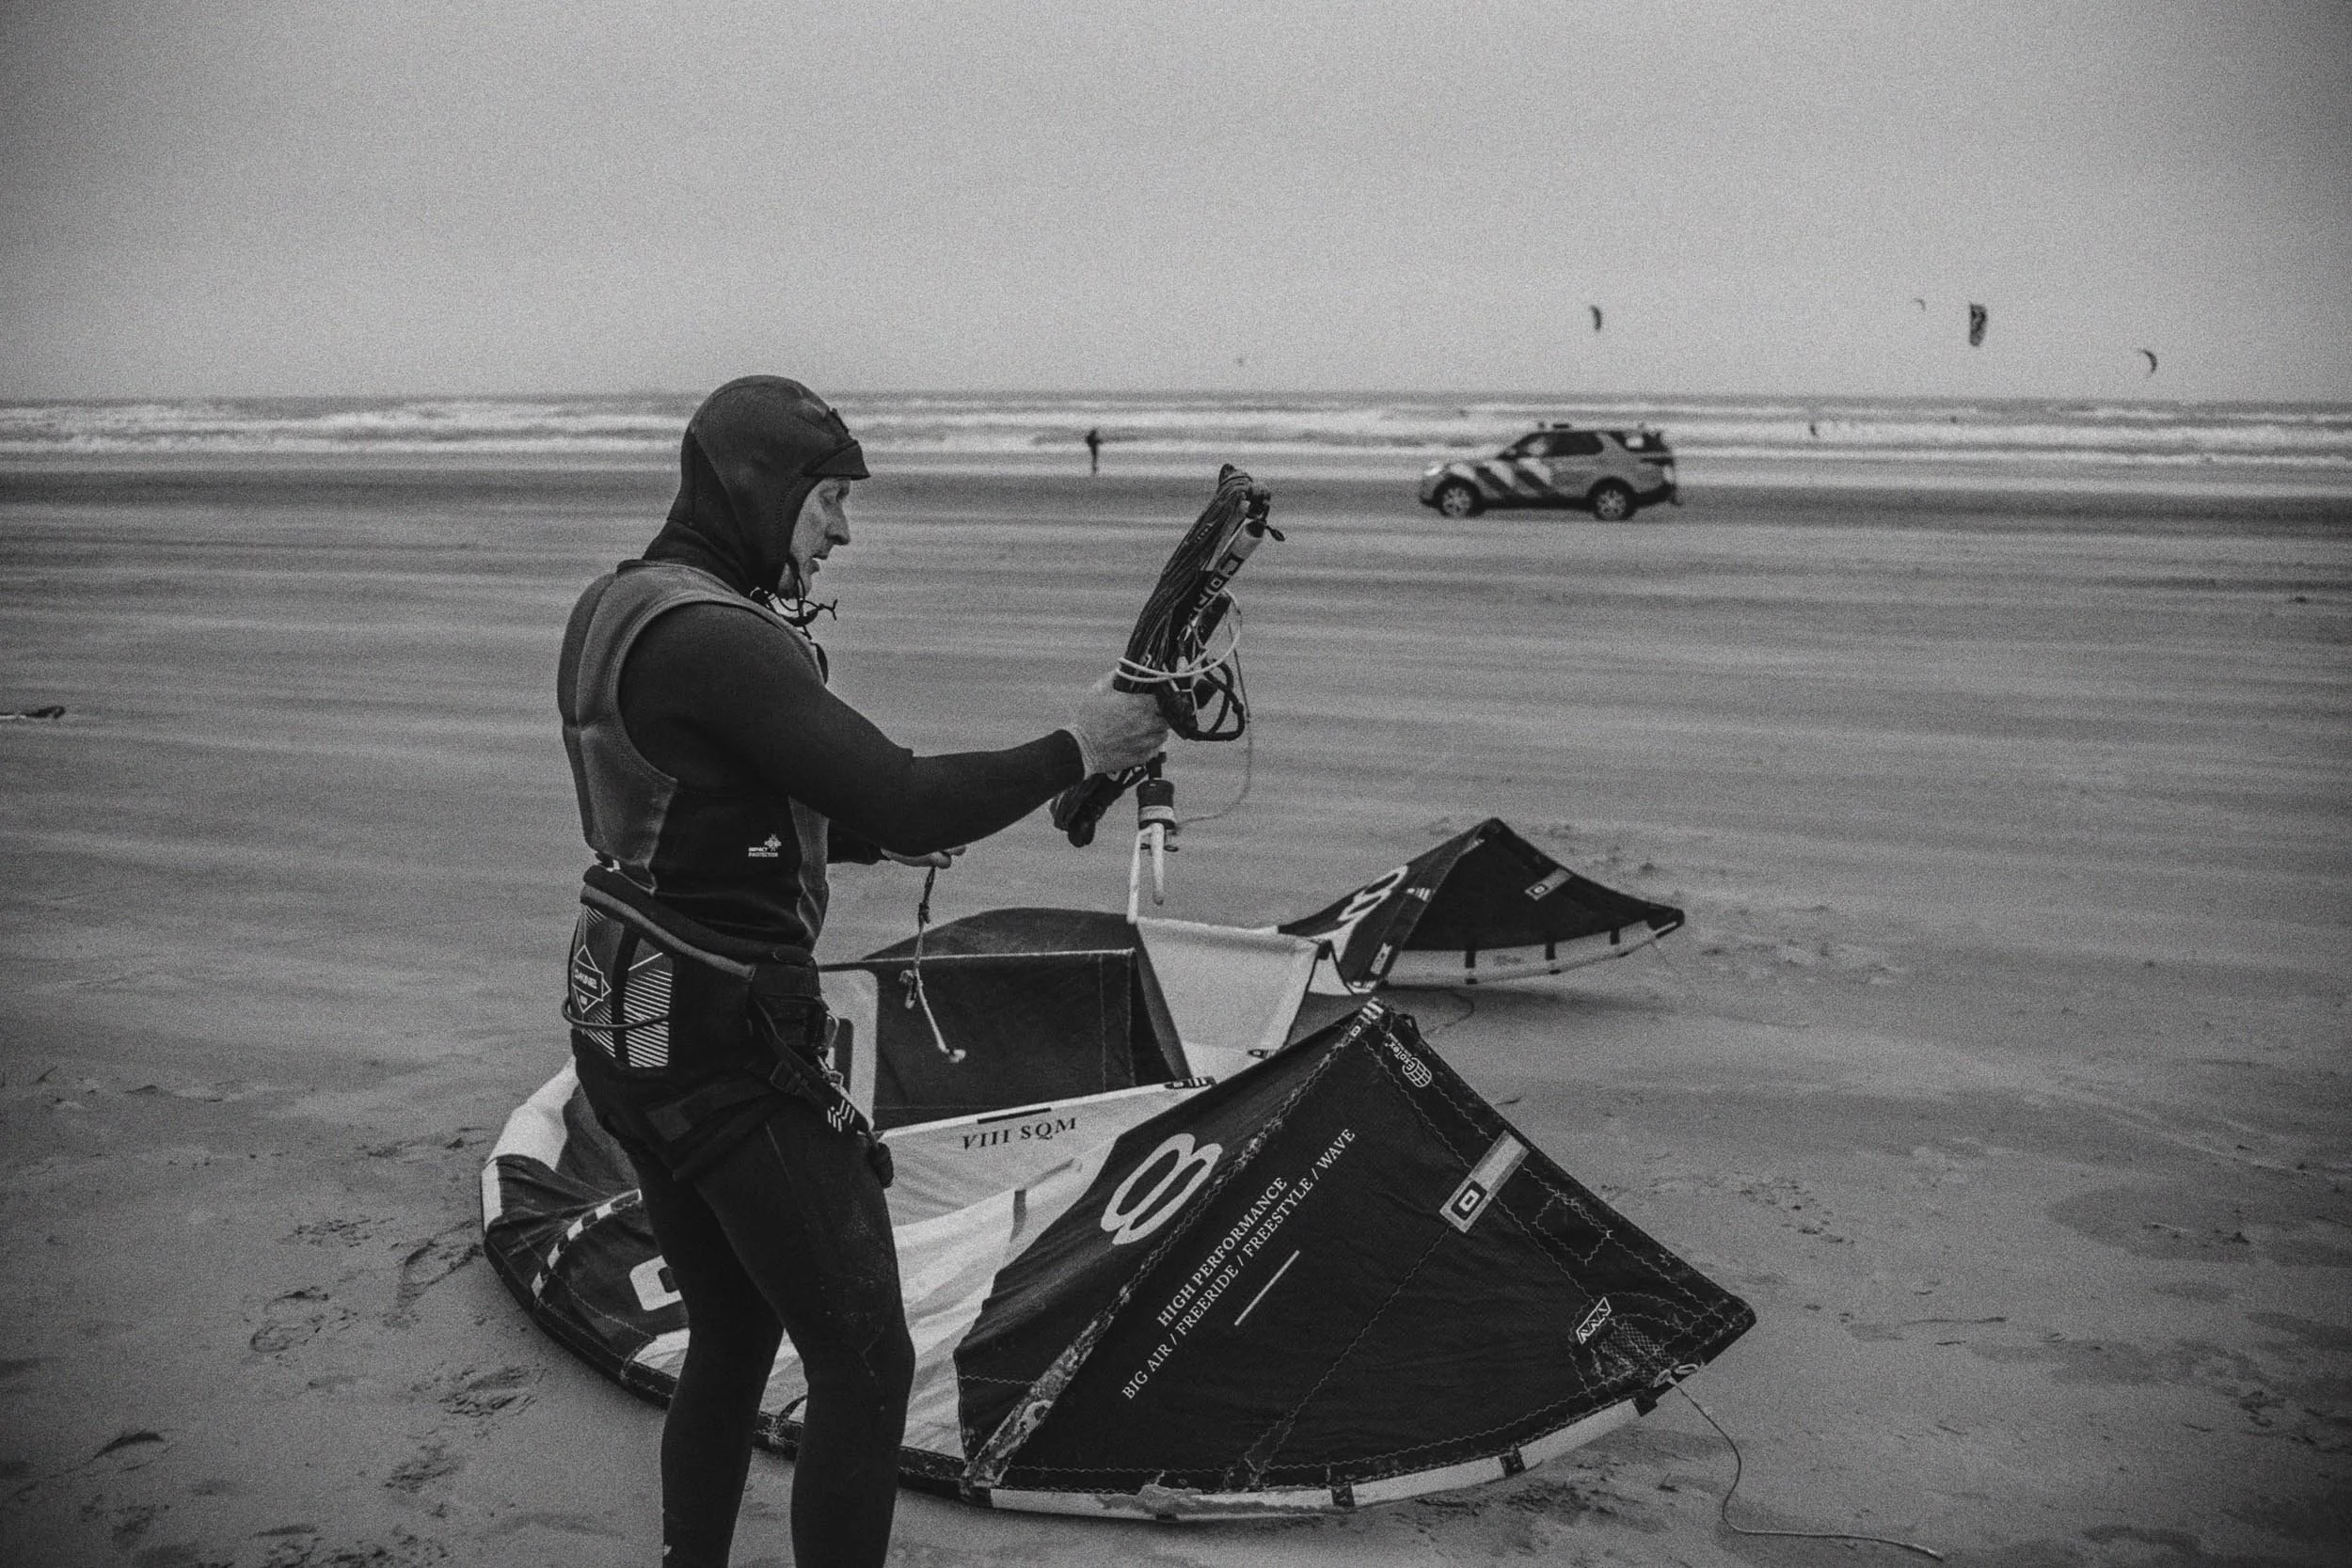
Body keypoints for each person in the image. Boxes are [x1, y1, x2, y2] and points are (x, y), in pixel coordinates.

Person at [555, 376, 1167, 1568]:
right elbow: (887, 784)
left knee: (731, 1331)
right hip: (727, 1047)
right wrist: (1075, 746)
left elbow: (717, 803)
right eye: (828, 497)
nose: (844, 527)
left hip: (625, 1020)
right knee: (866, 1359)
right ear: (757, 489)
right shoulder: (717, 637)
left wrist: (899, 827)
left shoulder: (622, 606)